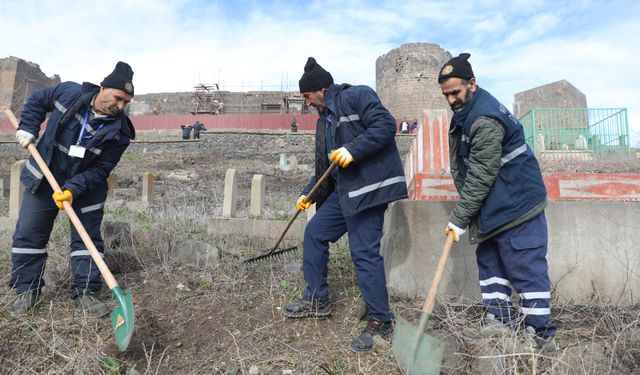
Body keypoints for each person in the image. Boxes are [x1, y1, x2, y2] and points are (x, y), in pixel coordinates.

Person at [283, 57, 407, 354]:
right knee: (315, 232)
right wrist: (308, 194)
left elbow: (385, 125)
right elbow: (324, 167)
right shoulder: (323, 122)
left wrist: (354, 149)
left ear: (321, 89)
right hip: (344, 192)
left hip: (369, 190)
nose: (307, 103)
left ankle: (381, 320)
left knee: (363, 252)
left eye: (307, 96)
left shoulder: (357, 96)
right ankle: (317, 299)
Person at [438, 53, 557, 352]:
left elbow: (481, 175)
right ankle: (499, 323)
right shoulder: (467, 112)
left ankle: (540, 337)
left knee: (525, 267)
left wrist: (459, 217)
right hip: (494, 206)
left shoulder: (485, 119)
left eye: (455, 92)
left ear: (472, 84)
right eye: (446, 94)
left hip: (517, 206)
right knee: (490, 263)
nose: (451, 99)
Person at [9, 61, 136, 318]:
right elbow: (36, 101)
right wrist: (28, 127)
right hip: (44, 179)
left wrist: (72, 189)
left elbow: (101, 169)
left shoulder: (120, 132)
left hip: (86, 189)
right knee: (29, 236)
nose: (121, 106)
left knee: (86, 241)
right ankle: (26, 290)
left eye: (126, 102)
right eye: (118, 98)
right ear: (103, 89)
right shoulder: (69, 93)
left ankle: (85, 293)